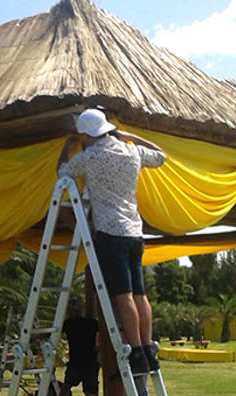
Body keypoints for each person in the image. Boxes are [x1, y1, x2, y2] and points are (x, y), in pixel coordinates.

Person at [56, 107, 166, 375]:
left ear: (86, 135)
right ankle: (149, 347)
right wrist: (132, 137)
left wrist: (66, 148)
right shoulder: (131, 151)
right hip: (135, 232)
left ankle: (137, 351)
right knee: (140, 294)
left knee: (123, 296)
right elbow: (161, 156)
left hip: (110, 232)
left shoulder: (91, 156)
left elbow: (63, 172)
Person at [60, 301, 99, 396]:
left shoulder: (69, 323)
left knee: (67, 388)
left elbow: (54, 333)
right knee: (90, 394)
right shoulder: (92, 323)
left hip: (79, 362)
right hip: (89, 362)